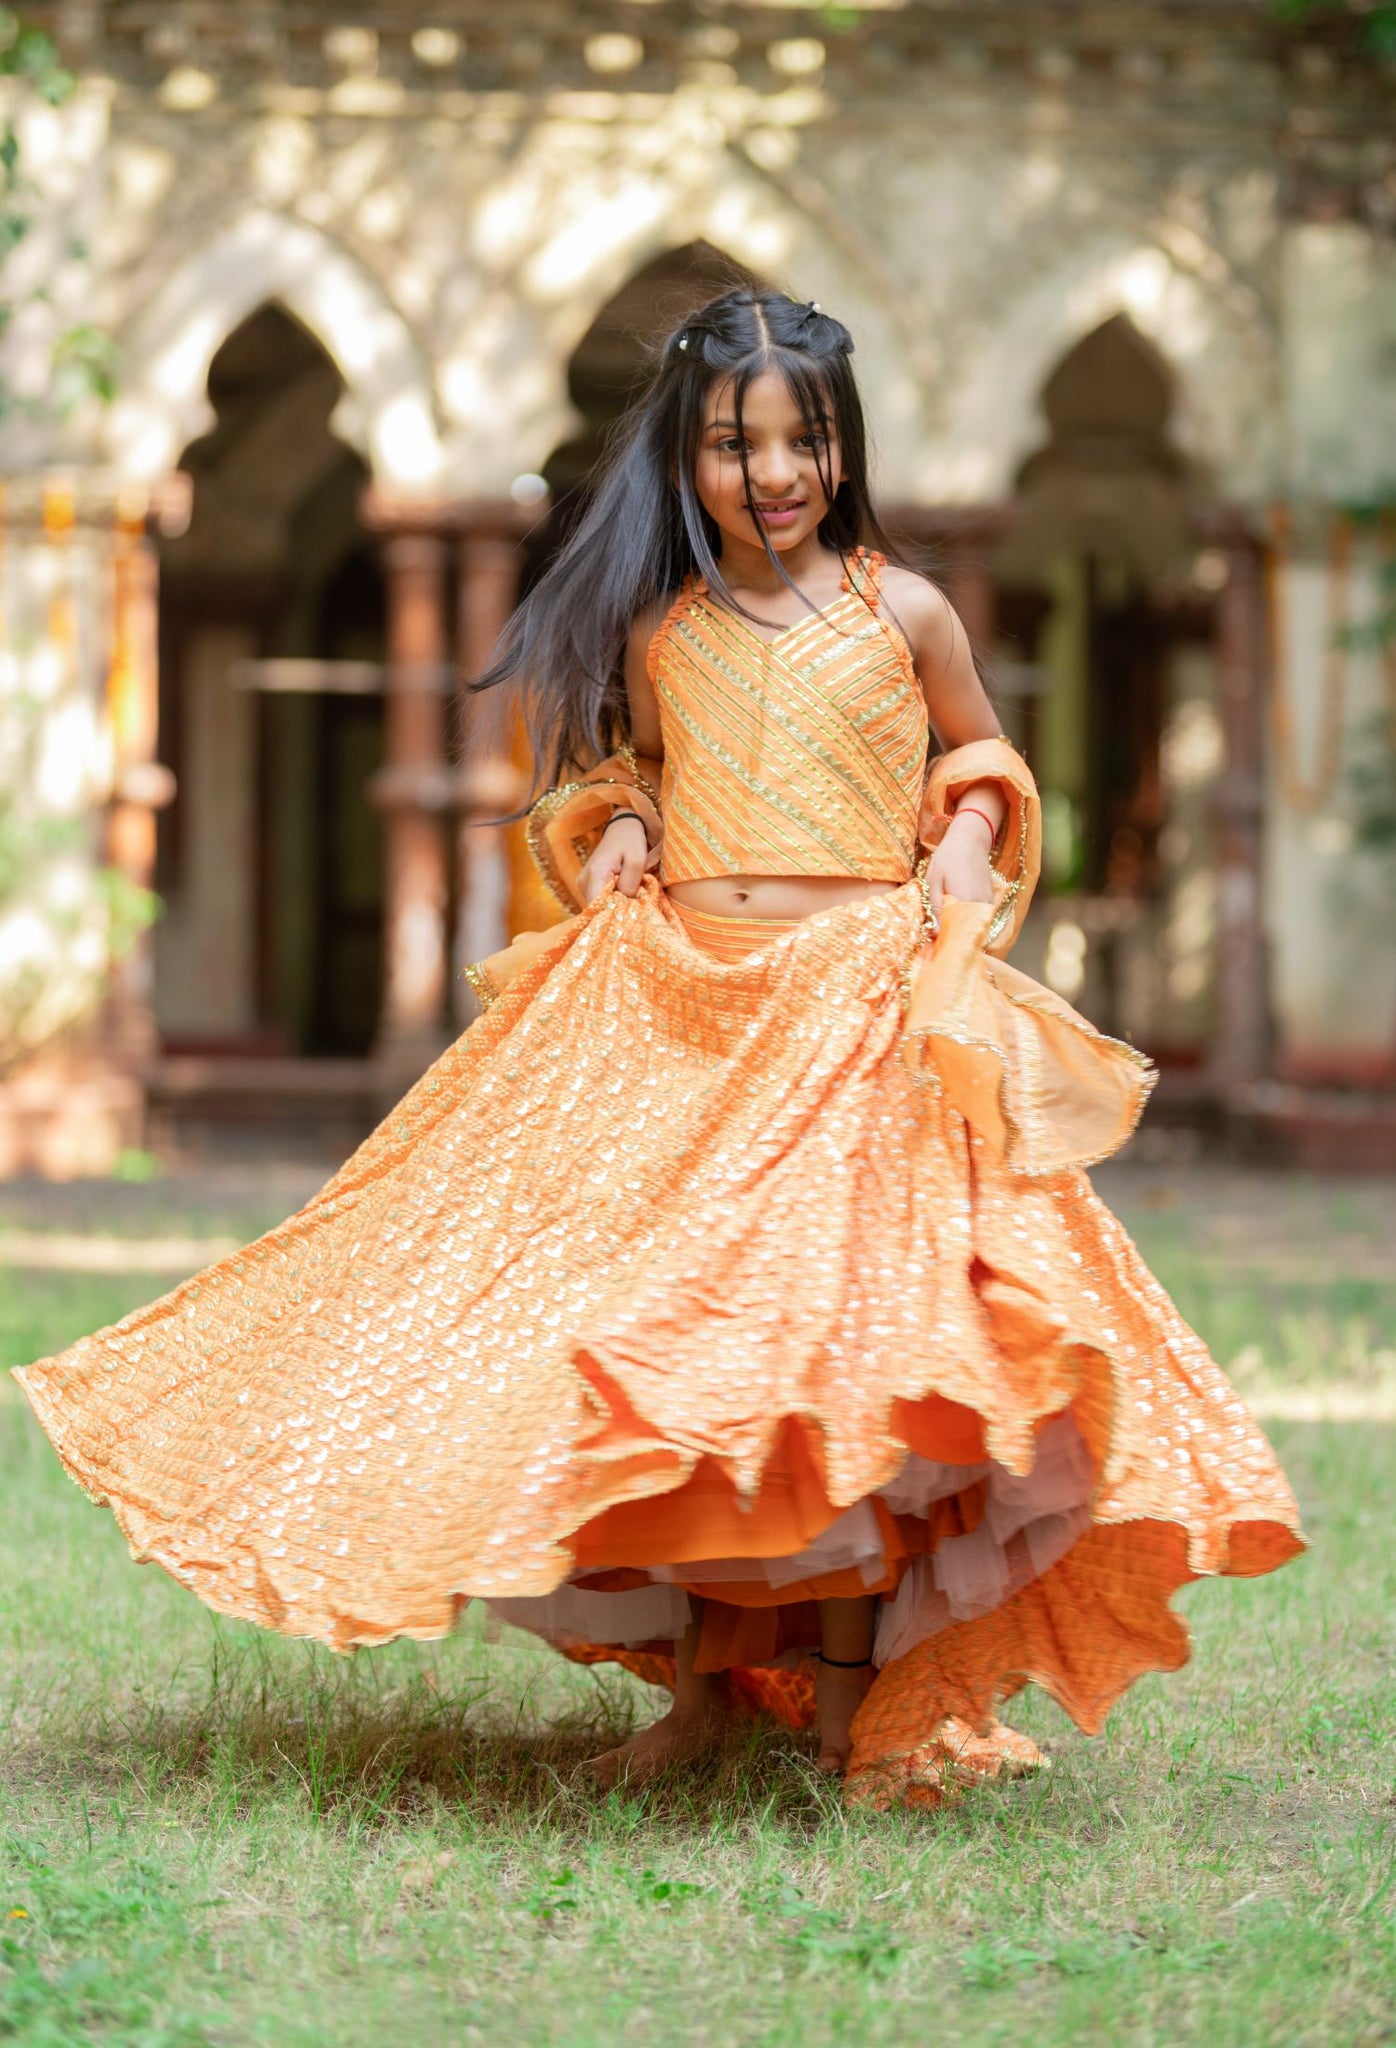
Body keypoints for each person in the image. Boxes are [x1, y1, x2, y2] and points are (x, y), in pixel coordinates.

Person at [13, 290, 1302, 1808]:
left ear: (845, 445)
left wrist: (965, 835)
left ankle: (837, 1707)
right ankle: (703, 1694)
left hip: (850, 1017)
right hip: (687, 1015)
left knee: (834, 1370)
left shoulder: (907, 612)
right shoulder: (661, 624)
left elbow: (982, 751)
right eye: (733, 444)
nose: (772, 471)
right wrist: (621, 827)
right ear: (687, 463)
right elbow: (622, 769)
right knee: (679, 1366)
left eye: (802, 437)